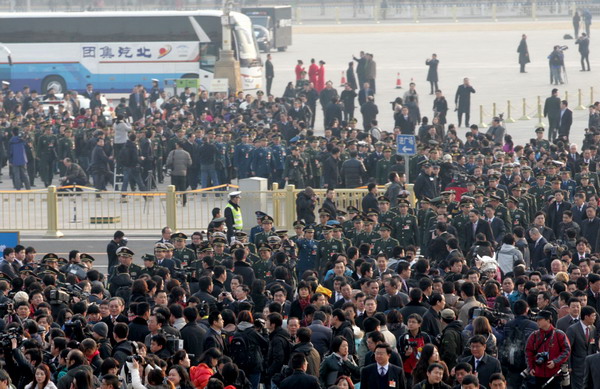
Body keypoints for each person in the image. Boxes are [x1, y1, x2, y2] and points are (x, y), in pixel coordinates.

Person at [525, 310, 571, 389]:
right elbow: (528, 352)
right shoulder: (534, 335)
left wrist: (555, 362)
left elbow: (567, 350)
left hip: (555, 375)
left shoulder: (559, 334)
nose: (537, 322)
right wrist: (531, 368)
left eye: (540, 320)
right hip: (538, 375)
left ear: (548, 320)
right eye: (537, 320)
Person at [566, 305, 597, 388]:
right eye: (593, 316)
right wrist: (569, 366)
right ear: (586, 317)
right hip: (577, 366)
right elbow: (568, 348)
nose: (595, 318)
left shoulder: (593, 328)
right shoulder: (572, 329)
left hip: (590, 366)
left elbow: (593, 347)